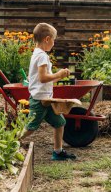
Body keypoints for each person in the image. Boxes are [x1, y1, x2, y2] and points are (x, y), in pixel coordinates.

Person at [22, 23, 76, 161]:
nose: (54, 43)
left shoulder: (37, 53)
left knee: (60, 123)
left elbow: (35, 77)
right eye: (53, 39)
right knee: (31, 128)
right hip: (40, 100)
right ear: (47, 39)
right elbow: (43, 77)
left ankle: (57, 152)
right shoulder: (42, 56)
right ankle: (9, 142)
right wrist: (59, 75)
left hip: (46, 99)